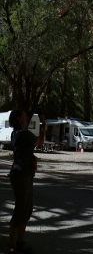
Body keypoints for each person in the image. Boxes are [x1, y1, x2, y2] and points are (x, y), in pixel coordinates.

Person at [7, 109, 37, 254]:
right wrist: (43, 124)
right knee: (21, 209)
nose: (27, 118)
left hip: (24, 173)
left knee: (26, 209)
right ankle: (13, 245)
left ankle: (19, 242)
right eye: (25, 116)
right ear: (19, 119)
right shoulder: (23, 134)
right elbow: (40, 140)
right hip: (21, 175)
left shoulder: (16, 133)